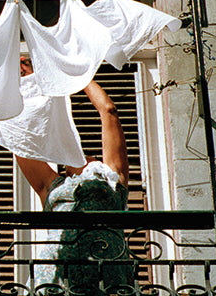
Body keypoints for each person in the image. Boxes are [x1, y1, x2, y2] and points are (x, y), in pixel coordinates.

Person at [15, 57, 133, 294]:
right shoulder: (52, 185)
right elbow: (19, 139)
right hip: (56, 276)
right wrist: (22, 82)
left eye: (88, 155)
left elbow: (108, 111)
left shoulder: (111, 176)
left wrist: (72, 75)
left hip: (105, 270)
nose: (81, 156)